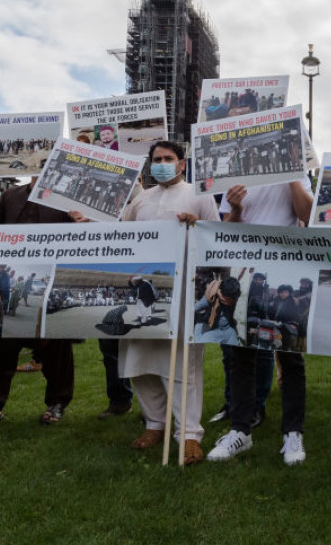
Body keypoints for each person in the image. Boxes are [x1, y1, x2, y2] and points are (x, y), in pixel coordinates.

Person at [0, 163, 87, 429]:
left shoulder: (68, 199)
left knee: (55, 345)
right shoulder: (12, 195)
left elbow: (85, 239)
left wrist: (81, 222)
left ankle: (57, 403)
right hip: (11, 281)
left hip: (51, 281)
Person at [120, 140, 219, 465]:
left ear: (181, 164)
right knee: (140, 362)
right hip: (144, 293)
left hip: (185, 290)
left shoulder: (200, 194)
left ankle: (189, 434)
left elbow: (217, 238)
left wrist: (197, 226)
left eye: (168, 158)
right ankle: (155, 423)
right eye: (156, 159)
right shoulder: (140, 200)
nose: (162, 163)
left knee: (183, 366)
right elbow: (122, 238)